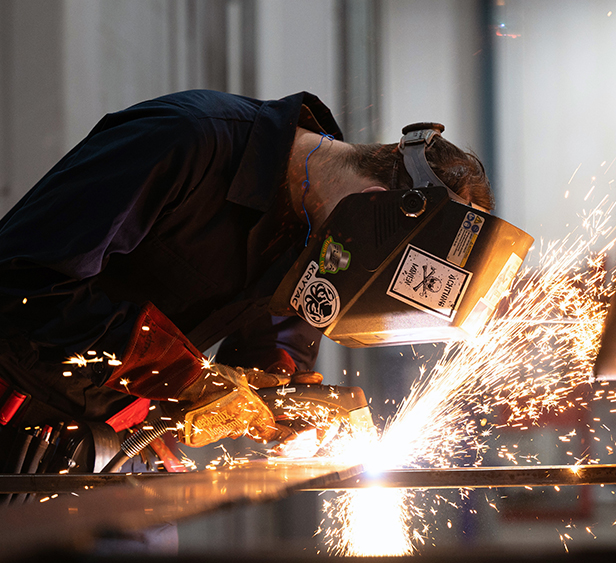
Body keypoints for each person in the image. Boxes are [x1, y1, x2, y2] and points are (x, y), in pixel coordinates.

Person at [0, 90, 492, 471]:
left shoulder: (326, 231)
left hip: (107, 441)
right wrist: (192, 380)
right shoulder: (183, 141)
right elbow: (25, 287)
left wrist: (286, 402)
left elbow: (277, 342)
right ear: (373, 201)